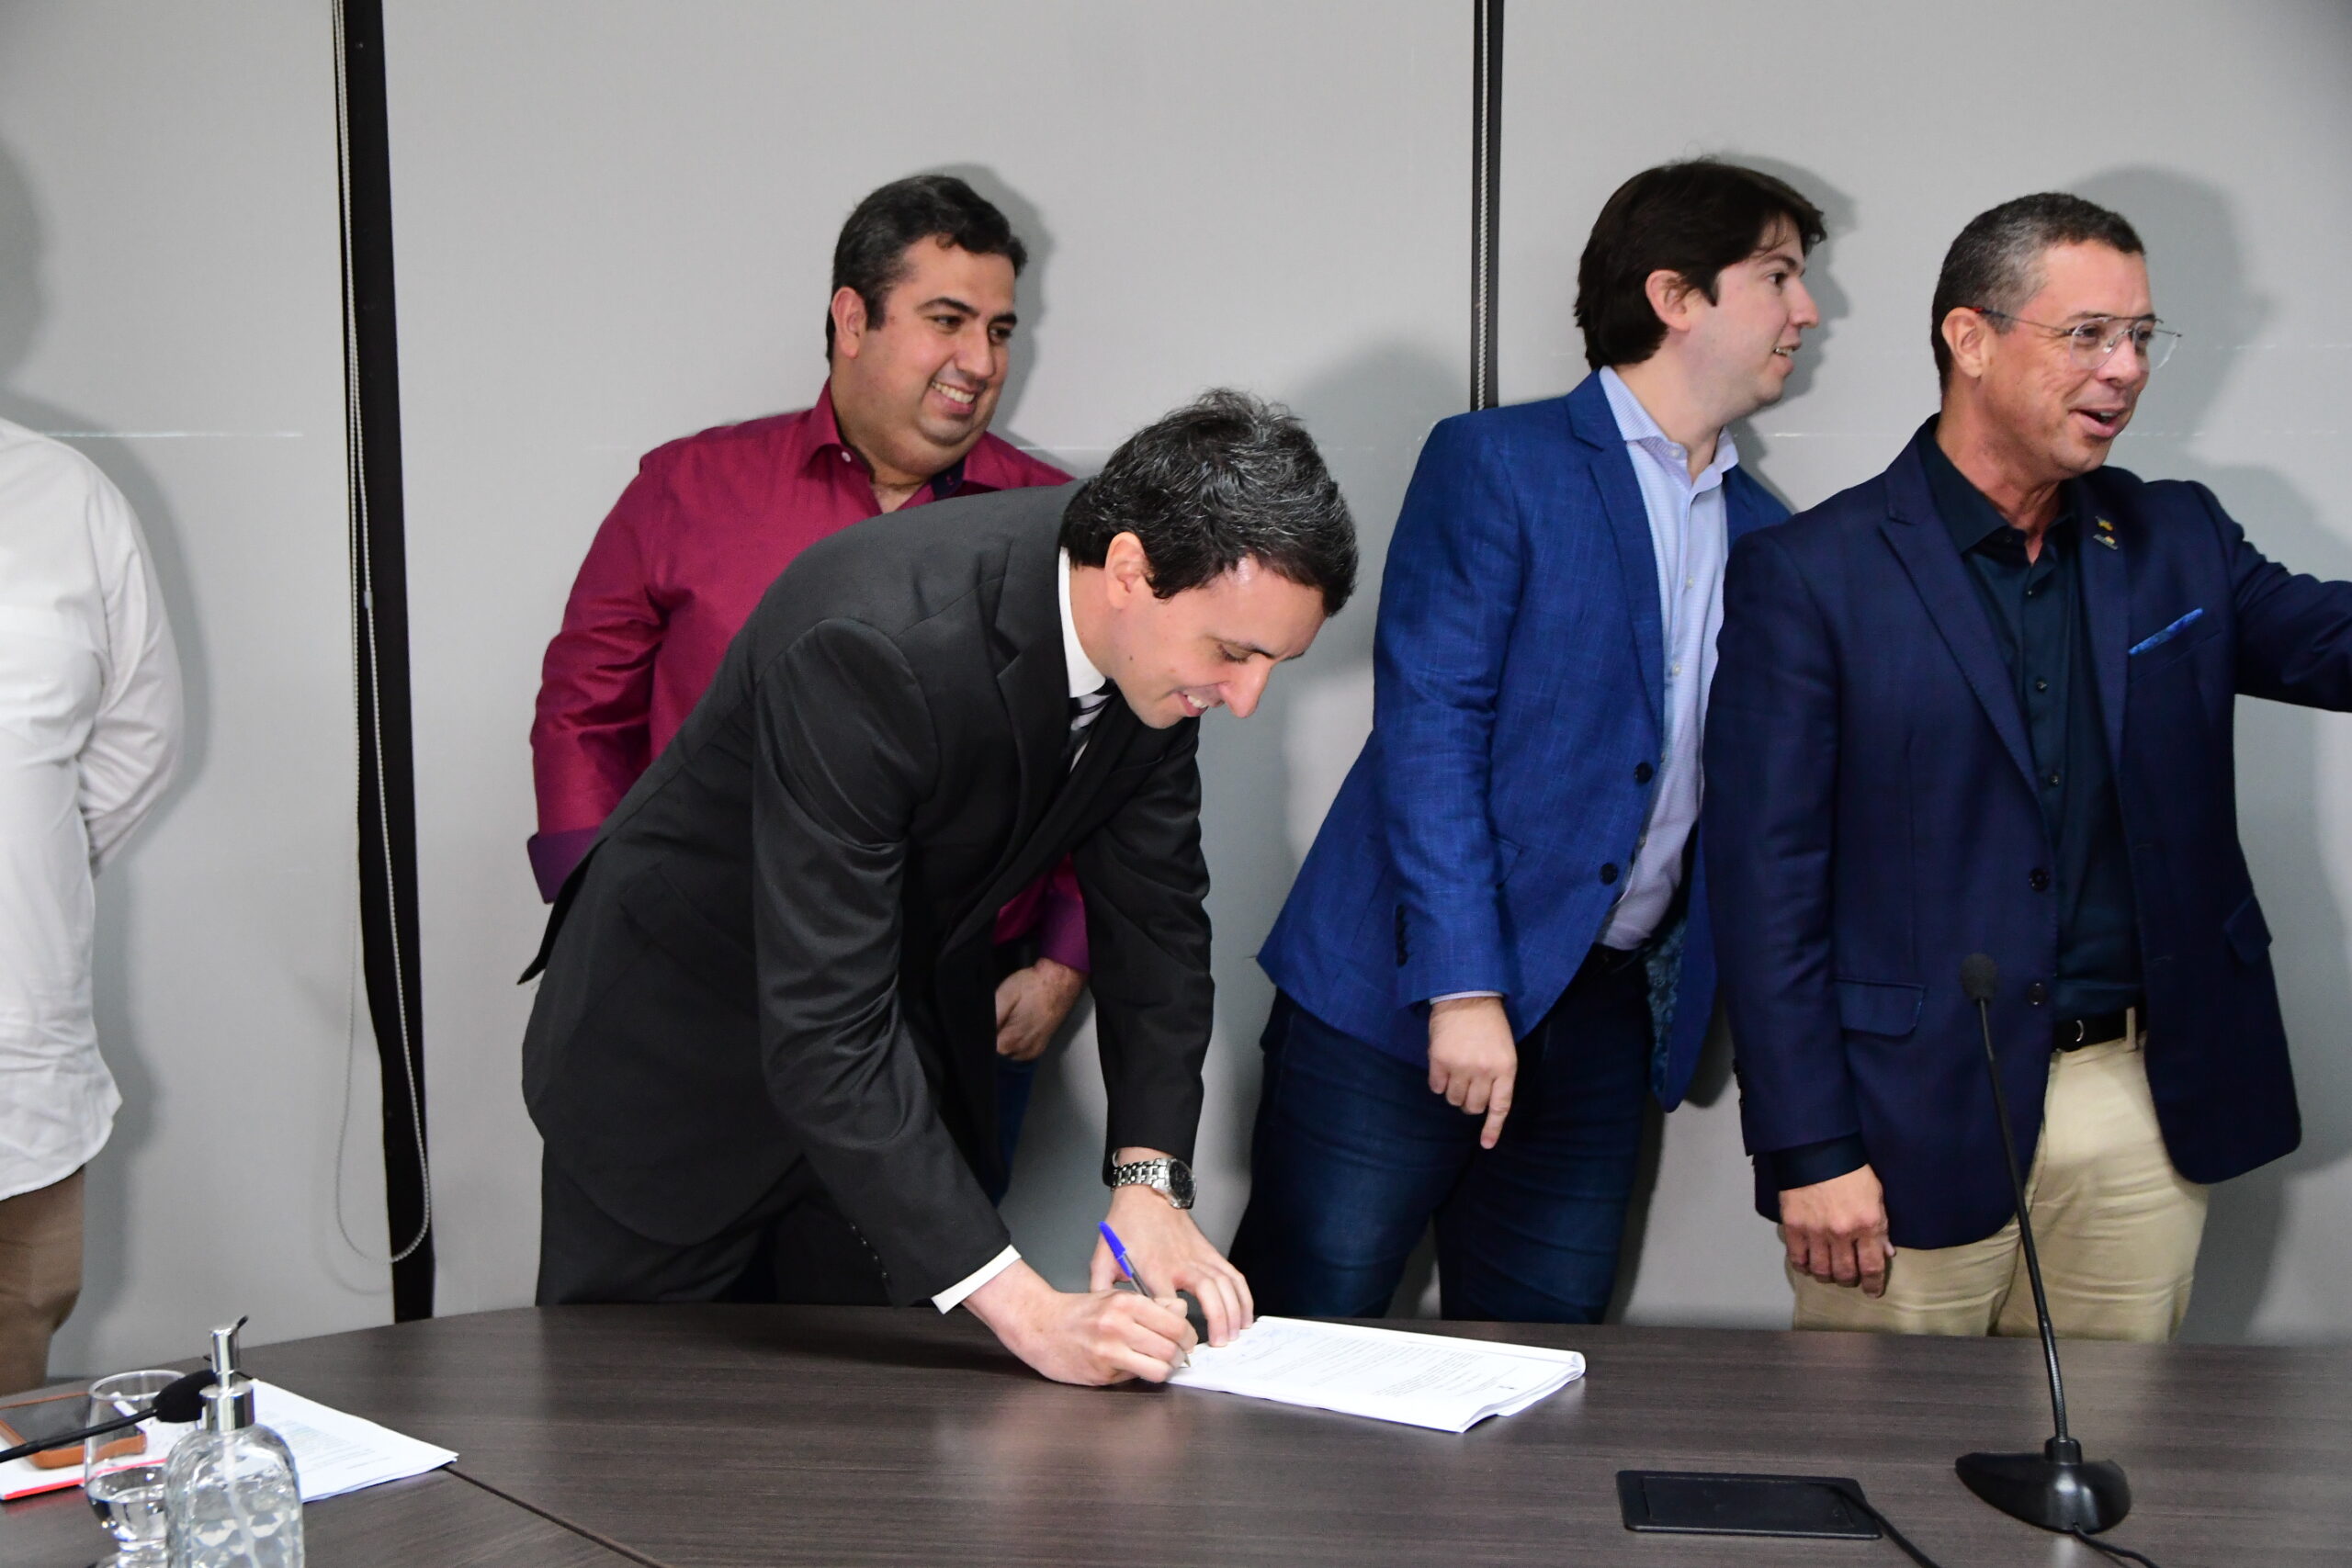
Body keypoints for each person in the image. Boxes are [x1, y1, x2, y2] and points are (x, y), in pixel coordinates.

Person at [523, 389, 1356, 1386]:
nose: (1247, 699)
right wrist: (1033, 1313)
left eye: (1276, 663)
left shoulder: (1154, 663)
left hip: (881, 1083)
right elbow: (824, 1025)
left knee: (880, 1429)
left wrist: (1149, 1183)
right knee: (626, 1420)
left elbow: (1158, 929)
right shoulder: (872, 637)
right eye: (1234, 653)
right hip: (674, 1068)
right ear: (1131, 570)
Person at [1707, 192, 2352, 1341]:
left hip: (2138, 1106)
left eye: (2140, 336)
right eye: (2088, 334)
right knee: (1885, 1449)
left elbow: (2332, 643)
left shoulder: (2176, 539)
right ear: (1970, 338)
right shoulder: (1810, 575)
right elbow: (1764, 890)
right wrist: (1809, 1147)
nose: (2125, 370)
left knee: (2116, 1440)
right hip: (1905, 1119)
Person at [1229, 160, 1825, 1322]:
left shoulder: (1769, 537)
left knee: (1535, 1369)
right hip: (1406, 989)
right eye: (1777, 276)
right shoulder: (1498, 462)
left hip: (1599, 1015)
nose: (1806, 311)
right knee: (1296, 1343)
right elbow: (1432, 722)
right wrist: (1462, 987)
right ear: (1674, 296)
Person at [528, 175, 1083, 1174]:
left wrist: (1062, 958)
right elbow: (584, 708)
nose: (980, 361)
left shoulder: (1059, 529)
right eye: (947, 320)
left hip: (948, 994)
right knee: (671, 1256)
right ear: (852, 319)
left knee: (919, 1268)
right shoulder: (686, 489)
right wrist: (594, 915)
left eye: (999, 330)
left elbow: (1103, 756)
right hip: (700, 978)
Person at [0, 420, 181, 1392]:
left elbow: (139, 738)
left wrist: (35, 867)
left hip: (18, 1064)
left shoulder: (64, 493)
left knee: (15, 1360)